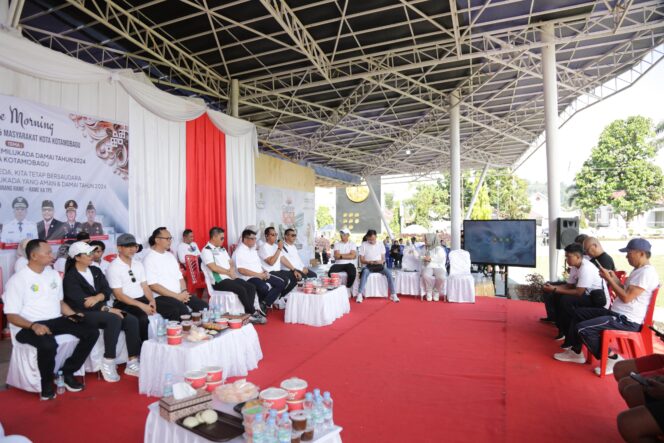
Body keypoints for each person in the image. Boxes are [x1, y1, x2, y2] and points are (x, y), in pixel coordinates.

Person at [3, 239, 99, 400]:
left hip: (55, 320)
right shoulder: (18, 280)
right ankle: (46, 383)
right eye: (47, 252)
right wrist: (33, 326)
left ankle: (67, 372)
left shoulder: (53, 274)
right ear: (34, 255)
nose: (51, 255)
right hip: (27, 325)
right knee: (48, 345)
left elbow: (60, 302)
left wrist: (72, 315)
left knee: (91, 331)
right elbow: (11, 315)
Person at [554, 238, 659, 376]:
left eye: (629, 253)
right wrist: (614, 279)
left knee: (583, 328)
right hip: (616, 313)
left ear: (641, 253)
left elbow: (626, 298)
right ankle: (576, 352)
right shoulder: (638, 270)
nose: (626, 256)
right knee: (577, 313)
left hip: (626, 320)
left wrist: (609, 279)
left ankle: (613, 358)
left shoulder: (646, 273)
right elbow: (625, 290)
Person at [62, 241, 141, 382]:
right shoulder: (71, 277)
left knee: (131, 319)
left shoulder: (95, 270)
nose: (92, 255)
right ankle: (108, 361)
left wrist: (98, 297)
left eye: (92, 252)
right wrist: (107, 308)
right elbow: (83, 303)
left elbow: (106, 289)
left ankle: (132, 361)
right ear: (77, 257)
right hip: (83, 314)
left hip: (102, 309)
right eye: (88, 253)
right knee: (113, 318)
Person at [201, 227, 266, 324]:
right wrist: (228, 272)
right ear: (214, 237)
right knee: (241, 289)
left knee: (251, 287)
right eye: (221, 238)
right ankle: (252, 313)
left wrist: (231, 272)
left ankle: (248, 313)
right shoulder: (207, 250)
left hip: (229, 277)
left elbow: (231, 262)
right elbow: (213, 267)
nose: (223, 240)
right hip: (219, 281)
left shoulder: (222, 249)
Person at [543, 243, 606, 341]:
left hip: (597, 299)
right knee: (556, 295)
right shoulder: (575, 266)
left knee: (566, 300)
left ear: (577, 256)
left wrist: (554, 288)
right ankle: (562, 329)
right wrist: (553, 287)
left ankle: (571, 334)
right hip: (587, 295)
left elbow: (578, 292)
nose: (566, 259)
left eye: (568, 257)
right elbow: (569, 286)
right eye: (566, 257)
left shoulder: (586, 268)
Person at [143, 227, 208, 320]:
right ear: (157, 240)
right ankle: (187, 333)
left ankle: (199, 331)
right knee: (182, 312)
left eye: (170, 238)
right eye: (167, 238)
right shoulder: (149, 259)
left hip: (179, 294)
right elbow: (153, 286)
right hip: (161, 297)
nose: (170, 241)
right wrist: (177, 297)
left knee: (203, 306)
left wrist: (184, 292)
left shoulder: (170, 256)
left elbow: (180, 277)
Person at [107, 233, 157, 343]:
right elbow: (119, 296)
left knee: (170, 308)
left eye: (134, 246)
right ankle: (142, 350)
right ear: (119, 248)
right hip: (124, 303)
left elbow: (145, 286)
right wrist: (142, 306)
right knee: (142, 318)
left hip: (141, 299)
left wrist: (152, 301)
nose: (132, 249)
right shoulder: (113, 267)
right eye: (128, 246)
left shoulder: (138, 264)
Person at [233, 229, 286, 313]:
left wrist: (265, 272)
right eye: (252, 239)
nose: (254, 241)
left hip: (260, 274)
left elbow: (258, 264)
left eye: (255, 238)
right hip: (248, 277)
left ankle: (264, 303)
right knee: (263, 288)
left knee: (281, 283)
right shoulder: (239, 251)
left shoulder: (253, 249)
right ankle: (261, 304)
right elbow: (241, 270)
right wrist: (259, 275)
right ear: (245, 239)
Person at [356, 229, 399, 303]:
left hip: (379, 265)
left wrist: (381, 261)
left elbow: (383, 259)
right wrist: (369, 261)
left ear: (376, 237)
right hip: (368, 265)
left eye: (373, 239)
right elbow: (361, 260)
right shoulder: (364, 244)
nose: (371, 241)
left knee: (389, 273)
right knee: (365, 272)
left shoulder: (380, 244)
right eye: (369, 239)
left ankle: (393, 294)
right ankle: (359, 294)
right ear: (367, 238)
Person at [258, 227, 296, 298]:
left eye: (276, 234)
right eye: (273, 234)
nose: (275, 236)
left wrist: (294, 269)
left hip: (278, 271)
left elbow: (283, 259)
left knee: (295, 278)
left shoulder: (276, 246)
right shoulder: (263, 247)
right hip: (269, 272)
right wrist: (279, 249)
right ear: (266, 236)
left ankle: (279, 296)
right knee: (286, 280)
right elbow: (271, 262)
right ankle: (269, 301)